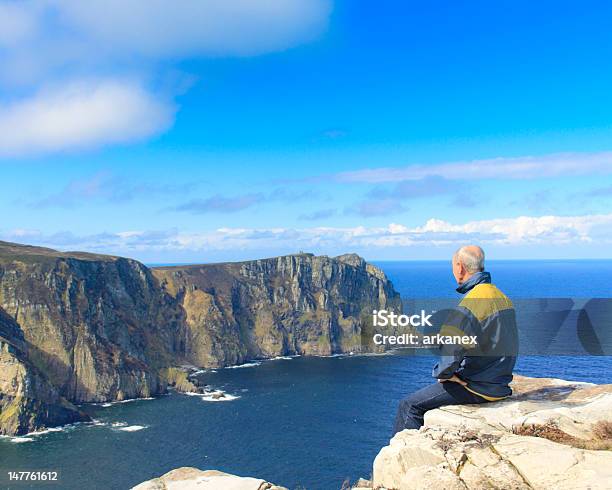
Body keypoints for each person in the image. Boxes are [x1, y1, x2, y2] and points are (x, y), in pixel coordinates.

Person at [393, 245, 518, 434]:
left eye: (453, 266)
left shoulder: (472, 303)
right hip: (500, 384)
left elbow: (452, 353)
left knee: (409, 406)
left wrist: (446, 374)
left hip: (477, 387)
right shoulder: (502, 298)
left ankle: (402, 460)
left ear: (460, 267)